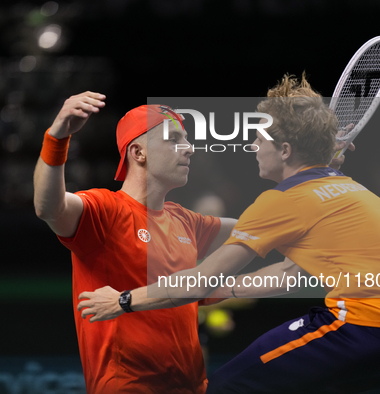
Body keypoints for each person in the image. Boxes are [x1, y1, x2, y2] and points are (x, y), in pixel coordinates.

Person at [76, 76, 380, 393]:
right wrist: (229, 291)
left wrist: (123, 301)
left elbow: (200, 281)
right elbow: (288, 273)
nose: (252, 147)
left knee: (227, 388)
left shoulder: (283, 202)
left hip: (365, 329)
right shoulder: (344, 191)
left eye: (258, 139)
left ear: (284, 150)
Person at [34, 92, 239, 394]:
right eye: (174, 139)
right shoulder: (105, 210)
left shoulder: (186, 220)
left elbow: (258, 230)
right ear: (138, 152)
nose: (189, 148)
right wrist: (57, 136)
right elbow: (49, 208)